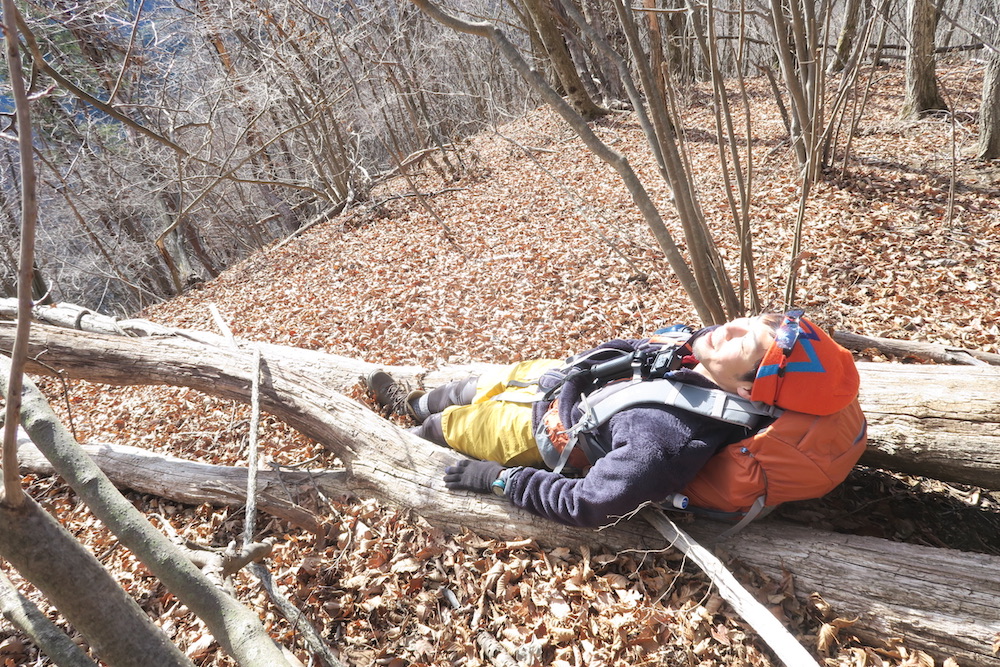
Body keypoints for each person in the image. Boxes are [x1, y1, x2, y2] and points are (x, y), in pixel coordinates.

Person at [366, 311, 857, 528]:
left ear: (750, 389)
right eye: (745, 322)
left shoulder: (668, 437)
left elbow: (591, 505)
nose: (728, 327)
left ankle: (390, 435)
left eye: (742, 342)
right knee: (465, 388)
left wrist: (499, 479)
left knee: (450, 426)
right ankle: (413, 402)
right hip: (564, 382)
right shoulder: (703, 356)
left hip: (539, 431)